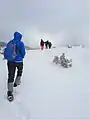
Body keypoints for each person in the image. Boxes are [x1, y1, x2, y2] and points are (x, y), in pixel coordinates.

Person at [4, 31, 26, 101]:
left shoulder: (10, 42)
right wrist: (20, 57)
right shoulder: (21, 43)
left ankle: (10, 92)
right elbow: (23, 53)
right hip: (19, 61)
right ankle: (16, 83)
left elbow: (6, 51)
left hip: (10, 61)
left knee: (11, 75)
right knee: (19, 71)